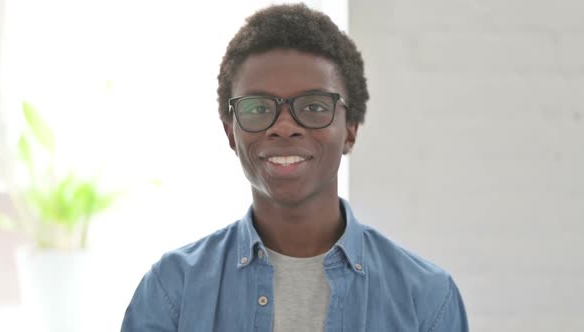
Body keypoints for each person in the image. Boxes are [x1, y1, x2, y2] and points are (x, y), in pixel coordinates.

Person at [121, 4, 469, 331]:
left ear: (350, 129)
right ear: (231, 133)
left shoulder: (427, 298)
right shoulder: (172, 289)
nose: (284, 126)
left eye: (314, 106)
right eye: (258, 108)